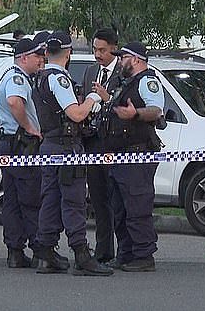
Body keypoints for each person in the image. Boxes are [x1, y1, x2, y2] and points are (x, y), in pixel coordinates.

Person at [32, 31, 113, 276]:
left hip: (49, 145)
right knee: (73, 201)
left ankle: (45, 252)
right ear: (68, 53)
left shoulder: (40, 77)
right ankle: (81, 254)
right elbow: (76, 114)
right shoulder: (59, 79)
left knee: (50, 199)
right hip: (66, 147)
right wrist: (91, 98)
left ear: (46, 53)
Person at [96, 41, 164, 272]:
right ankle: (126, 254)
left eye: (123, 57)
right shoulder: (126, 83)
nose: (120, 60)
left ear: (135, 60)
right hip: (120, 156)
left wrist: (136, 114)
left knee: (137, 206)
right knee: (120, 208)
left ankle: (144, 255)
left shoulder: (147, 81)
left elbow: (156, 110)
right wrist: (107, 99)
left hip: (137, 155)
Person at [0, 38, 46, 268]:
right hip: (21, 145)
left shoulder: (9, 75)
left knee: (12, 200)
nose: (41, 60)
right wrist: (30, 127)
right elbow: (14, 102)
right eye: (37, 56)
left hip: (8, 143)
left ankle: (15, 251)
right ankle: (39, 250)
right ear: (24, 57)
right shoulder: (17, 78)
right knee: (29, 197)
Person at [81, 28, 122, 263]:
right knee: (98, 199)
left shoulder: (122, 72)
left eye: (102, 50)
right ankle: (103, 249)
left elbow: (124, 106)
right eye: (95, 49)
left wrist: (107, 98)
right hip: (93, 142)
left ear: (113, 48)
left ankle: (122, 250)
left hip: (115, 144)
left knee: (116, 198)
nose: (98, 54)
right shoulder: (89, 72)